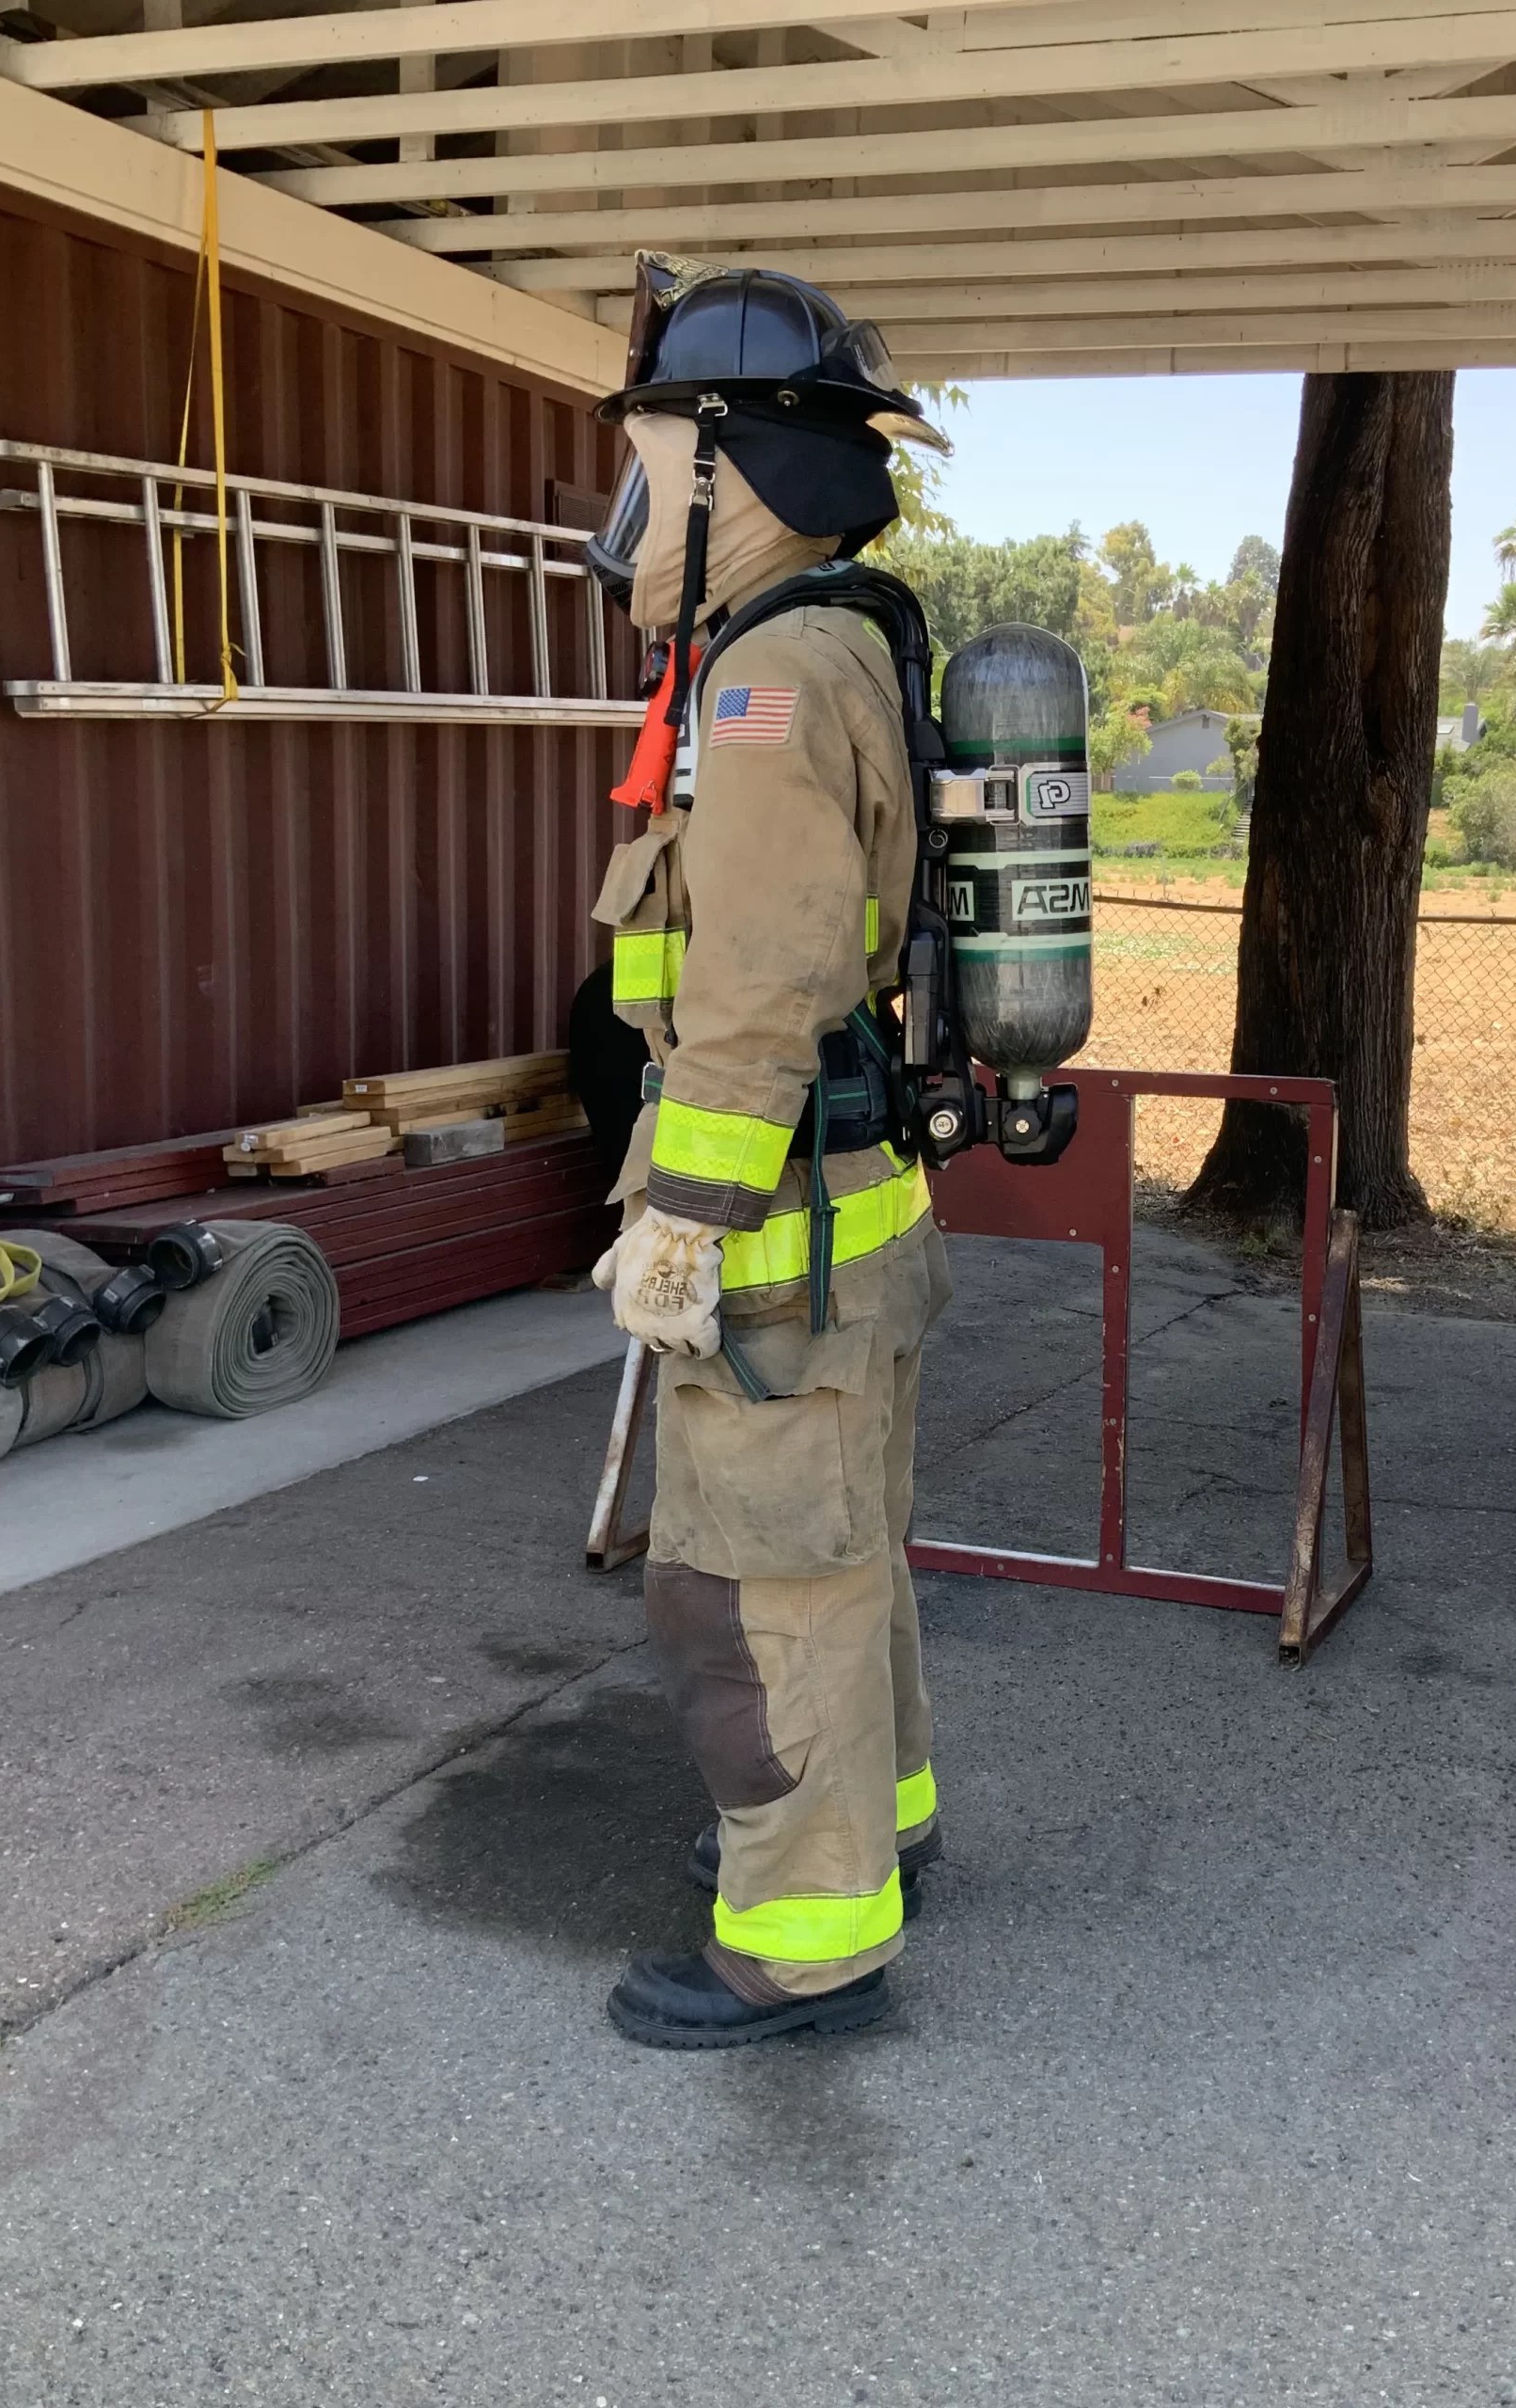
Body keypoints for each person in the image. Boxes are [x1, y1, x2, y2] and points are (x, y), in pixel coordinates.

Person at [584, 254, 952, 2049]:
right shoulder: (827, 642)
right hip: (849, 1220)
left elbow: (758, 989)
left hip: (773, 1239)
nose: (630, 510)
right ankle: (877, 1838)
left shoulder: (769, 687)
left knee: (753, 1593)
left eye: (650, 465)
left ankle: (801, 1943)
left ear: (736, 470)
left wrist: (680, 1224)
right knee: (842, 1558)